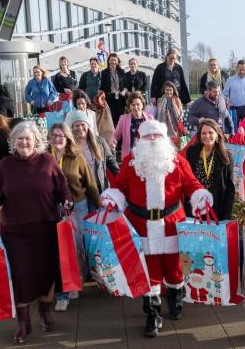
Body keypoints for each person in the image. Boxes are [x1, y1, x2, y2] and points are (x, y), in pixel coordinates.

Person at [100, 120, 213, 338]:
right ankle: (152, 314)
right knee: (148, 272)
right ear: (140, 139)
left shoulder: (177, 161)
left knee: (174, 269)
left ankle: (176, 299)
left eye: (156, 136)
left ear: (164, 139)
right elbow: (119, 186)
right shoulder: (131, 162)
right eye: (148, 136)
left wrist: (200, 196)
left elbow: (191, 184)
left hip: (171, 224)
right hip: (141, 226)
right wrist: (113, 197)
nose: (152, 139)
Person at [0, 121, 72, 344]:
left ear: (36, 140)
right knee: (21, 275)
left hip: (46, 228)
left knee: (47, 273)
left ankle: (44, 312)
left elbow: (62, 188)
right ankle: (23, 322)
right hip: (15, 231)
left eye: (28, 138)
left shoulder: (48, 161)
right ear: (13, 142)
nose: (24, 142)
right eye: (19, 139)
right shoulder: (5, 165)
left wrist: (67, 201)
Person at [47, 123, 100, 312]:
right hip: (52, 209)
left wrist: (100, 206)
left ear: (67, 138)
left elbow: (90, 184)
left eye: (61, 135)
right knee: (60, 249)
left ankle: (76, 282)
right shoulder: (44, 158)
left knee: (77, 248)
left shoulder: (77, 157)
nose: (57, 139)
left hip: (77, 207)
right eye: (54, 135)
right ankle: (65, 289)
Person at [182, 119, 235, 219]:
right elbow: (187, 180)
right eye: (204, 133)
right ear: (200, 136)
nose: (207, 136)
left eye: (210, 132)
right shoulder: (191, 152)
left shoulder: (227, 156)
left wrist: (226, 216)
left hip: (216, 209)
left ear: (217, 135)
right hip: (194, 207)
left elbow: (230, 189)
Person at [65, 110, 119, 194]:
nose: (80, 128)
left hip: (100, 188)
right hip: (82, 191)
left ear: (88, 125)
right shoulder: (69, 147)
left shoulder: (99, 141)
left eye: (83, 124)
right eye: (77, 125)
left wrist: (120, 176)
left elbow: (110, 160)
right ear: (72, 127)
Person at [112, 92, 154, 157]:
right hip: (129, 156)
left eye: (138, 104)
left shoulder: (150, 118)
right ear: (130, 106)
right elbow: (116, 136)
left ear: (142, 105)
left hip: (146, 156)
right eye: (133, 105)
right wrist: (112, 144)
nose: (136, 107)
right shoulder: (123, 119)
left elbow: (155, 137)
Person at [223, 59, 245, 124]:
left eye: (244, 70)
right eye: (240, 70)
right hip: (234, 109)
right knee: (234, 128)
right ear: (237, 69)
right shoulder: (230, 80)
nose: (242, 72)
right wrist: (221, 103)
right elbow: (225, 94)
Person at [100, 53, 126, 125]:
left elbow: (126, 85)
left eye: (115, 60)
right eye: (111, 60)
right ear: (108, 61)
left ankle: (120, 130)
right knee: (111, 117)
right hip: (109, 97)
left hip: (120, 97)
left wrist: (124, 91)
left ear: (117, 61)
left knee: (120, 116)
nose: (113, 62)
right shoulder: (104, 72)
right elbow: (102, 86)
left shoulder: (121, 71)